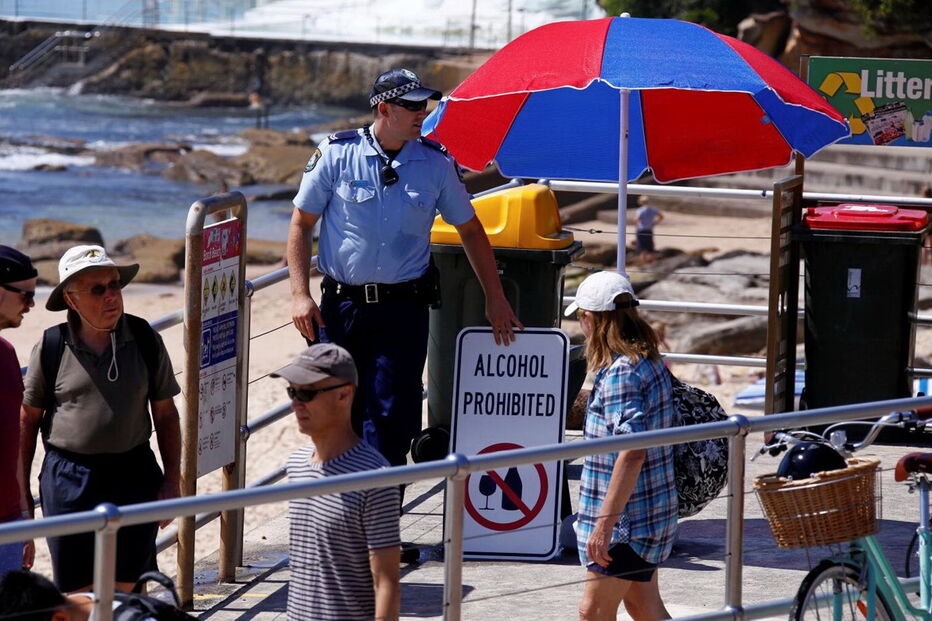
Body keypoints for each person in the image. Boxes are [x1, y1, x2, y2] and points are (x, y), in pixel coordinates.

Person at [288, 67, 521, 469]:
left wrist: (495, 298)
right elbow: (300, 224)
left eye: (424, 105)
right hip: (342, 308)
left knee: (394, 415)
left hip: (403, 309)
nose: (421, 113)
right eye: (411, 105)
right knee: (335, 407)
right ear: (383, 108)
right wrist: (298, 294)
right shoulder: (336, 153)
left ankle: (382, 517)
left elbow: (470, 230)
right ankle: (343, 510)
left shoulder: (435, 163)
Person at [20, 245, 182, 593]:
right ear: (71, 299)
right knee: (78, 593)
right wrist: (23, 498)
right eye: (98, 289)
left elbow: (166, 415)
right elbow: (27, 423)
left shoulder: (145, 339)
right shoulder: (51, 346)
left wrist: (171, 480)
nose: (111, 296)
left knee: (126, 589)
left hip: (134, 472)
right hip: (68, 479)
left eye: (114, 285)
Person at [565, 271, 678, 621]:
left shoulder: (620, 374)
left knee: (592, 612)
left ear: (591, 319)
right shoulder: (647, 361)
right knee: (644, 607)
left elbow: (632, 451)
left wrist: (604, 524)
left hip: (628, 522)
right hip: (651, 509)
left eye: (581, 317)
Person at [272, 343, 401, 621]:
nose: (296, 403)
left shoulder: (375, 478)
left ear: (344, 394)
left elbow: (387, 581)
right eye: (292, 391)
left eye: (307, 392)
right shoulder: (297, 466)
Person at [0, 246, 37, 577]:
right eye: (26, 295)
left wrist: (25, 515)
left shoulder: (8, 353)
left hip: (9, 521)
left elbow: (12, 440)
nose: (31, 305)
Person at [634, 195, 663, 261]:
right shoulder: (653, 209)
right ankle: (654, 261)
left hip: (641, 229)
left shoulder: (640, 210)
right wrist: (654, 223)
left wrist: (638, 225)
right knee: (650, 247)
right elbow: (661, 216)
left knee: (642, 248)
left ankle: (642, 262)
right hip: (649, 229)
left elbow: (636, 219)